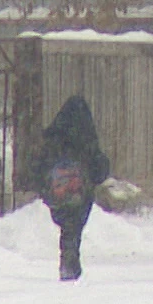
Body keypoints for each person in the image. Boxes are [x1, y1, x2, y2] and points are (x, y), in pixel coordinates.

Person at [32, 95, 112, 281]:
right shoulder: (86, 140)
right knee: (74, 228)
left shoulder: (53, 139)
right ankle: (70, 259)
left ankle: (68, 257)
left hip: (58, 195)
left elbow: (38, 168)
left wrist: (45, 189)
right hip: (79, 195)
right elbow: (99, 169)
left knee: (67, 228)